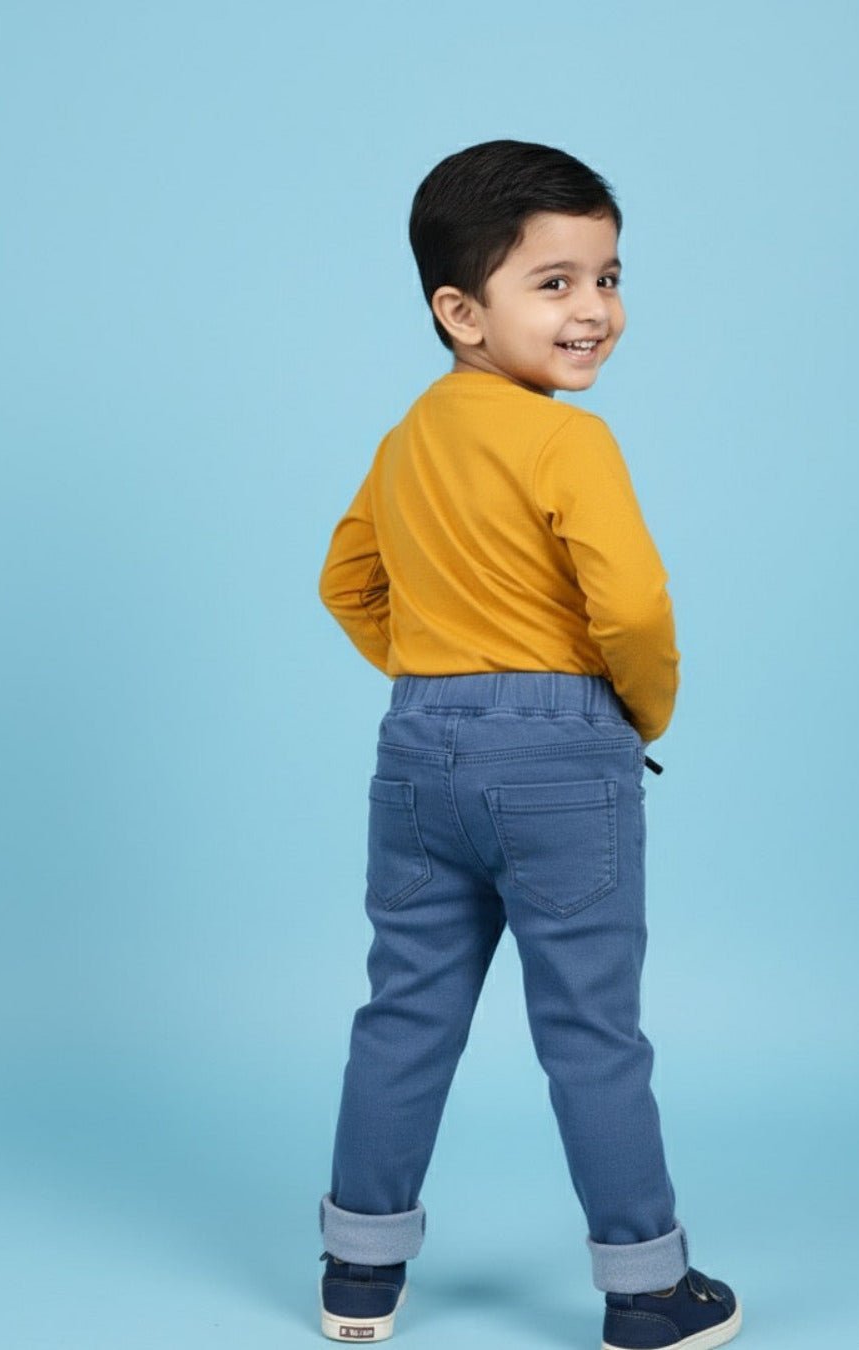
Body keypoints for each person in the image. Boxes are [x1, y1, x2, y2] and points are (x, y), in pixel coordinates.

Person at [315, 138, 742, 1350]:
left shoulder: (409, 439)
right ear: (461, 312)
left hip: (419, 746)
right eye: (554, 283)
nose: (593, 308)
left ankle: (359, 1269)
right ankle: (646, 1291)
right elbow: (634, 608)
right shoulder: (568, 441)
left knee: (405, 1009)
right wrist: (637, 712)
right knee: (590, 1027)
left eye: (607, 277)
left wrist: (439, 672)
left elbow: (345, 584)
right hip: (560, 753)